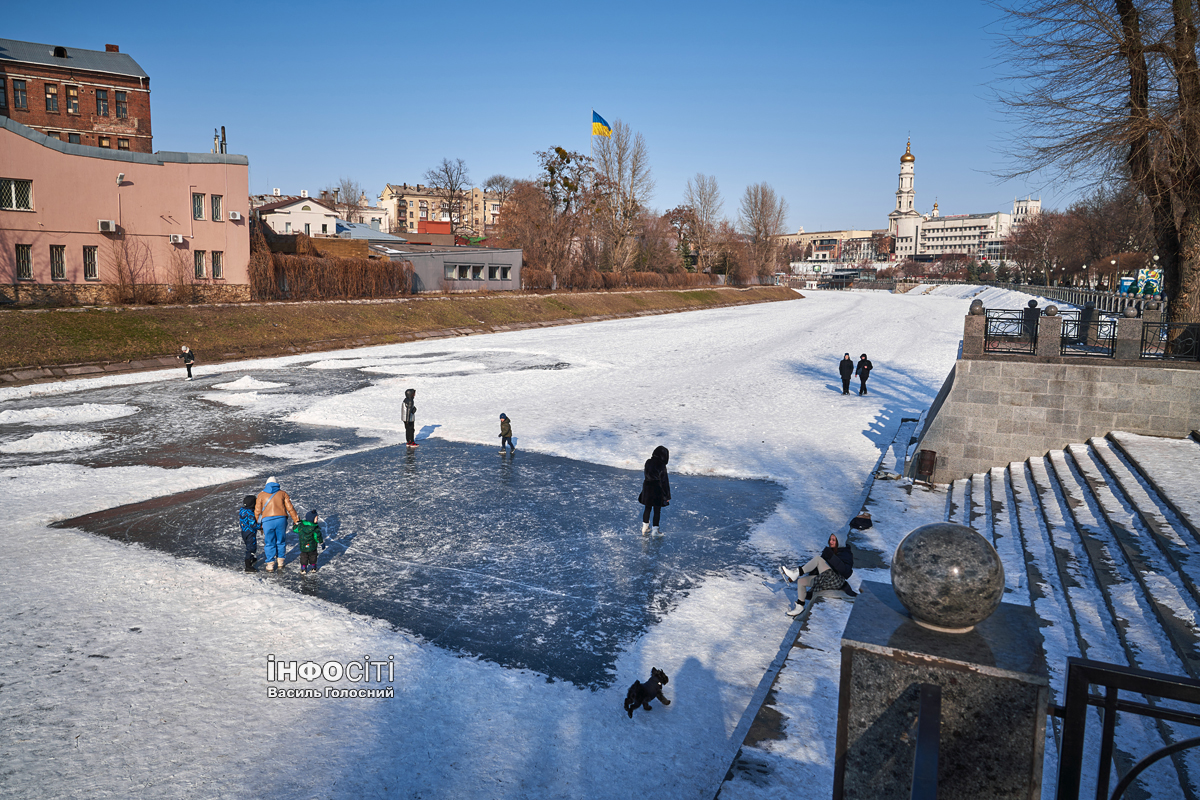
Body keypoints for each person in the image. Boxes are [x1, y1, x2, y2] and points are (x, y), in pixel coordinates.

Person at [780, 531, 854, 615]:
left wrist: (831, 556)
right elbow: (814, 565)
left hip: (837, 581)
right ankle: (799, 607)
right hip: (826, 577)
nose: (831, 542)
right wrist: (807, 572)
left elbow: (845, 571)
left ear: (839, 541)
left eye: (834, 540)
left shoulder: (846, 553)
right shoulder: (830, 551)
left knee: (818, 559)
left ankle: (795, 573)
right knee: (801, 581)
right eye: (830, 539)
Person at [255, 476, 300, 573]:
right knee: (281, 540)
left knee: (269, 542)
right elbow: (290, 508)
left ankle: (270, 564)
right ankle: (280, 562)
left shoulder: (261, 495)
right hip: (281, 520)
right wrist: (296, 519)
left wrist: (257, 524)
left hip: (267, 521)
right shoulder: (283, 493)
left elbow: (257, 511)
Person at [638, 445, 671, 535]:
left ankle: (645, 528)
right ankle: (655, 531)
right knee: (657, 510)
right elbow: (664, 481)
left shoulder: (648, 462)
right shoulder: (661, 465)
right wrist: (667, 496)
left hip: (647, 487)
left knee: (647, 508)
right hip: (657, 489)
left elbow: (646, 474)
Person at [294, 509, 325, 575]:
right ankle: (313, 567)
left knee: (304, 557)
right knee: (313, 556)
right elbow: (317, 537)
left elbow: (295, 529)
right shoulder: (314, 528)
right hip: (312, 547)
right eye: (316, 518)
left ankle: (303, 568)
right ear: (312, 519)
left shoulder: (301, 526)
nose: (317, 520)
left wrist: (295, 523)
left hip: (303, 547)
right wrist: (321, 542)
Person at [237, 495, 261, 572]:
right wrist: (261, 526)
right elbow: (253, 525)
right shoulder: (250, 513)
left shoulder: (242, 510)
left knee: (248, 546)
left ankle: (251, 559)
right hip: (250, 533)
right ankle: (248, 566)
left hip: (244, 532)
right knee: (251, 548)